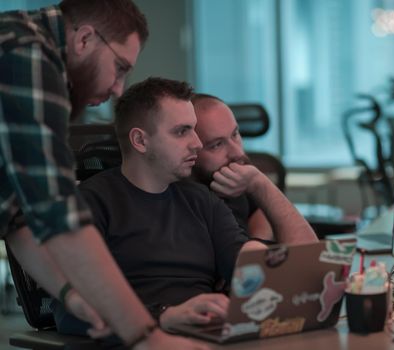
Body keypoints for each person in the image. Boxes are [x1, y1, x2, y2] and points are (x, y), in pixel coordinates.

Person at [0, 1, 206, 349]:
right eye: (120, 67)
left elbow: (18, 218)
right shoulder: (28, 53)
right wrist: (147, 336)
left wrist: (70, 293)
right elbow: (59, 215)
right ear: (84, 39)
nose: (118, 88)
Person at [53, 77, 267, 335]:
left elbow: (245, 266)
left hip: (203, 336)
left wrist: (260, 257)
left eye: (194, 129)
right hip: (139, 340)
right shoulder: (90, 204)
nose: (197, 143)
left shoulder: (202, 201)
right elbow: (70, 313)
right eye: (181, 131)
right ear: (140, 141)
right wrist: (163, 317)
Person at [191, 93, 318, 244]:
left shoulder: (233, 177)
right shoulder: (197, 202)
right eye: (217, 144)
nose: (237, 152)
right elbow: (305, 251)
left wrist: (258, 239)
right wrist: (260, 184)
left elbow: (259, 211)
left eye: (235, 134)